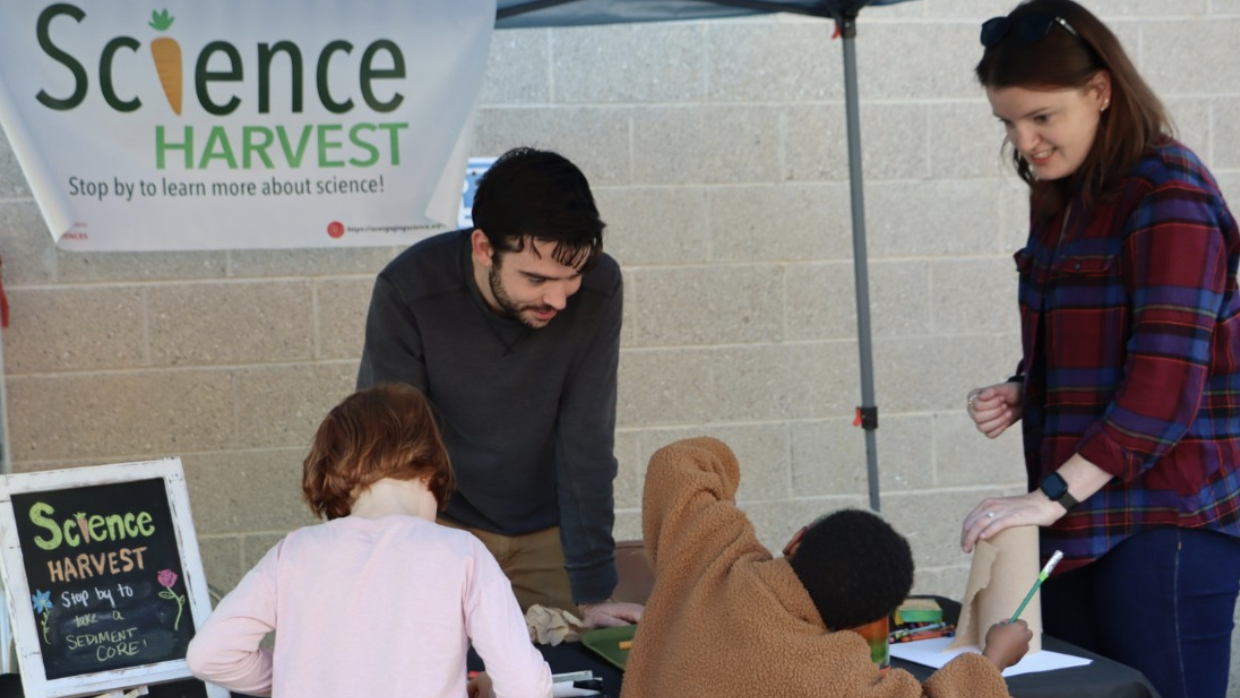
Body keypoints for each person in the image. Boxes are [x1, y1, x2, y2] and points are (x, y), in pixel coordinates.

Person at [958, 3, 1240, 697]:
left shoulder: (1170, 194)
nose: (1025, 141)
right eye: (1009, 122)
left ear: (1101, 91)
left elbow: (1162, 393)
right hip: (1080, 524)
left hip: (1165, 526)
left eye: (1042, 117)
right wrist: (1028, 385)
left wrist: (1047, 497)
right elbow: (1107, 339)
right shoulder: (1063, 192)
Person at [356, 146, 641, 628]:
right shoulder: (410, 290)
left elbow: (586, 438)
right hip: (442, 529)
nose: (558, 299)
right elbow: (392, 451)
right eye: (536, 279)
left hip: (552, 537)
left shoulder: (600, 287)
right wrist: (398, 569)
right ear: (484, 248)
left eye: (572, 277)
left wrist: (593, 592)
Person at [186, 384, 552, 698]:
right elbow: (526, 685)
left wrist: (289, 678)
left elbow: (209, 654)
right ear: (431, 467)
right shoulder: (462, 553)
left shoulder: (293, 552)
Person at [621, 436, 1031, 698]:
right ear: (867, 621)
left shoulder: (713, 558)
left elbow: (678, 461)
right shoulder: (835, 677)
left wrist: (732, 523)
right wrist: (994, 657)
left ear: (796, 541)